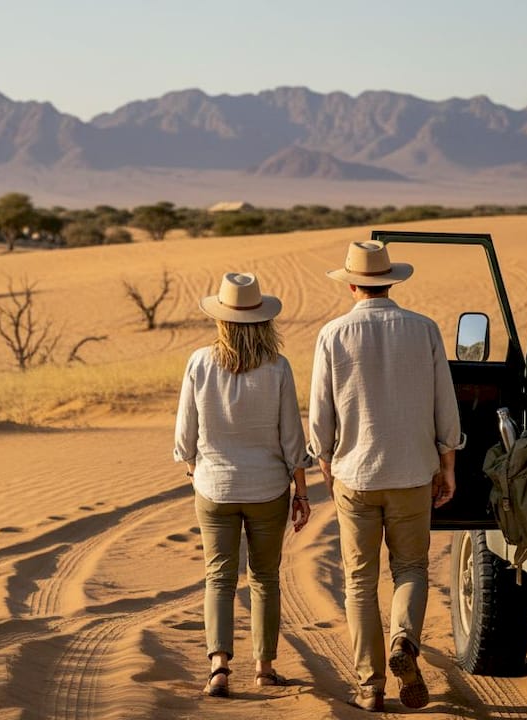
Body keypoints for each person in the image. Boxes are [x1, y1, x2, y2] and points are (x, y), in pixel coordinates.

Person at [307, 241, 462, 712]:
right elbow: (444, 403)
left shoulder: (333, 334)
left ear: (352, 284)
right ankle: (404, 642)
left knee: (359, 581)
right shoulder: (424, 328)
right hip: (414, 471)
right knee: (411, 569)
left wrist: (326, 461)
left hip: (355, 475)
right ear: (392, 281)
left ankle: (370, 685)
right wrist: (448, 463)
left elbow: (320, 413)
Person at [174, 272, 312, 698]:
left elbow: (184, 436)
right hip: (268, 488)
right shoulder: (278, 367)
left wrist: (195, 470)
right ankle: (265, 668)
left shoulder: (199, 362)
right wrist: (301, 492)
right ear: (262, 321)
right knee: (265, 577)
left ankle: (218, 667)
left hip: (213, 487)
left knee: (218, 577)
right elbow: (292, 437)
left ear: (222, 320)